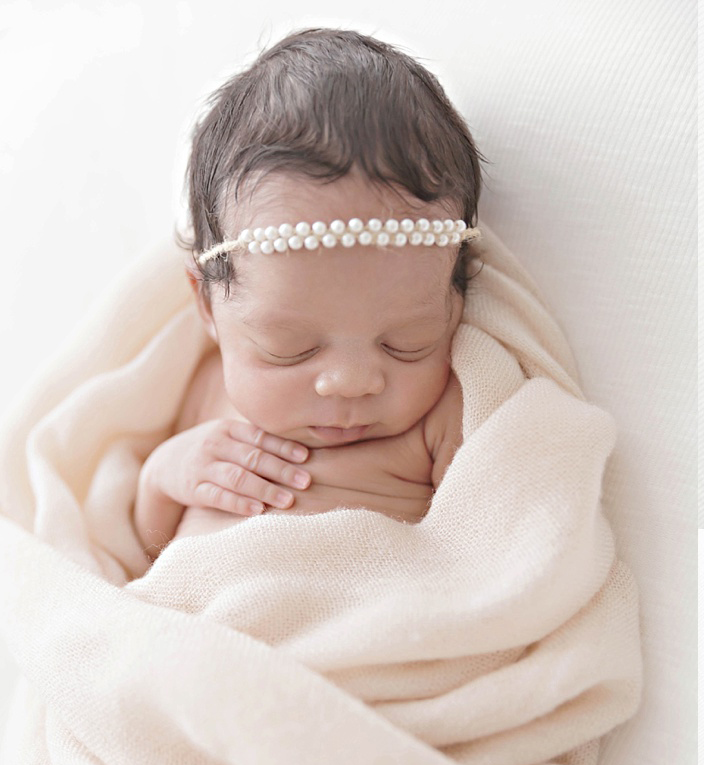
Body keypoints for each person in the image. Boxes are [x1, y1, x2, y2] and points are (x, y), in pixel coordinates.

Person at [135, 28, 485, 561]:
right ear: (208, 306)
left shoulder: (442, 418)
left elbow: (496, 552)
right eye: (290, 349)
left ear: (453, 304)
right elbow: (145, 554)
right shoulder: (208, 394)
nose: (349, 383)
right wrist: (162, 477)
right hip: (192, 624)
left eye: (406, 343)